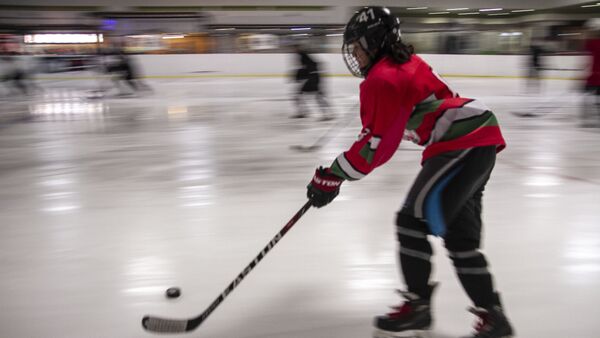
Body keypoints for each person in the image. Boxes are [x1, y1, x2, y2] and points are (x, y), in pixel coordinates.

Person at [305, 7, 514, 338]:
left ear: (374, 42)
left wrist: (331, 175)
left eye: (357, 46)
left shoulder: (383, 78)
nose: (355, 55)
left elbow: (375, 147)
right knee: (460, 240)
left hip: (463, 142)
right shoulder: (401, 64)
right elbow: (382, 137)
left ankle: (417, 307)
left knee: (411, 221)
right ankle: (494, 318)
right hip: (476, 139)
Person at [291, 44, 332, 120]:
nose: (294, 50)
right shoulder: (304, 55)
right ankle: (327, 114)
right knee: (315, 96)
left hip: (313, 78)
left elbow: (306, 68)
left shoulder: (303, 55)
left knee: (315, 96)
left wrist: (298, 77)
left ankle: (327, 114)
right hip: (314, 77)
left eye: (295, 48)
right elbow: (310, 67)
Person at [583, 19, 600, 126]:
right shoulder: (593, 42)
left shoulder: (592, 43)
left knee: (589, 97)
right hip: (594, 76)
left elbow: (587, 45)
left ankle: (587, 118)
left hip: (594, 77)